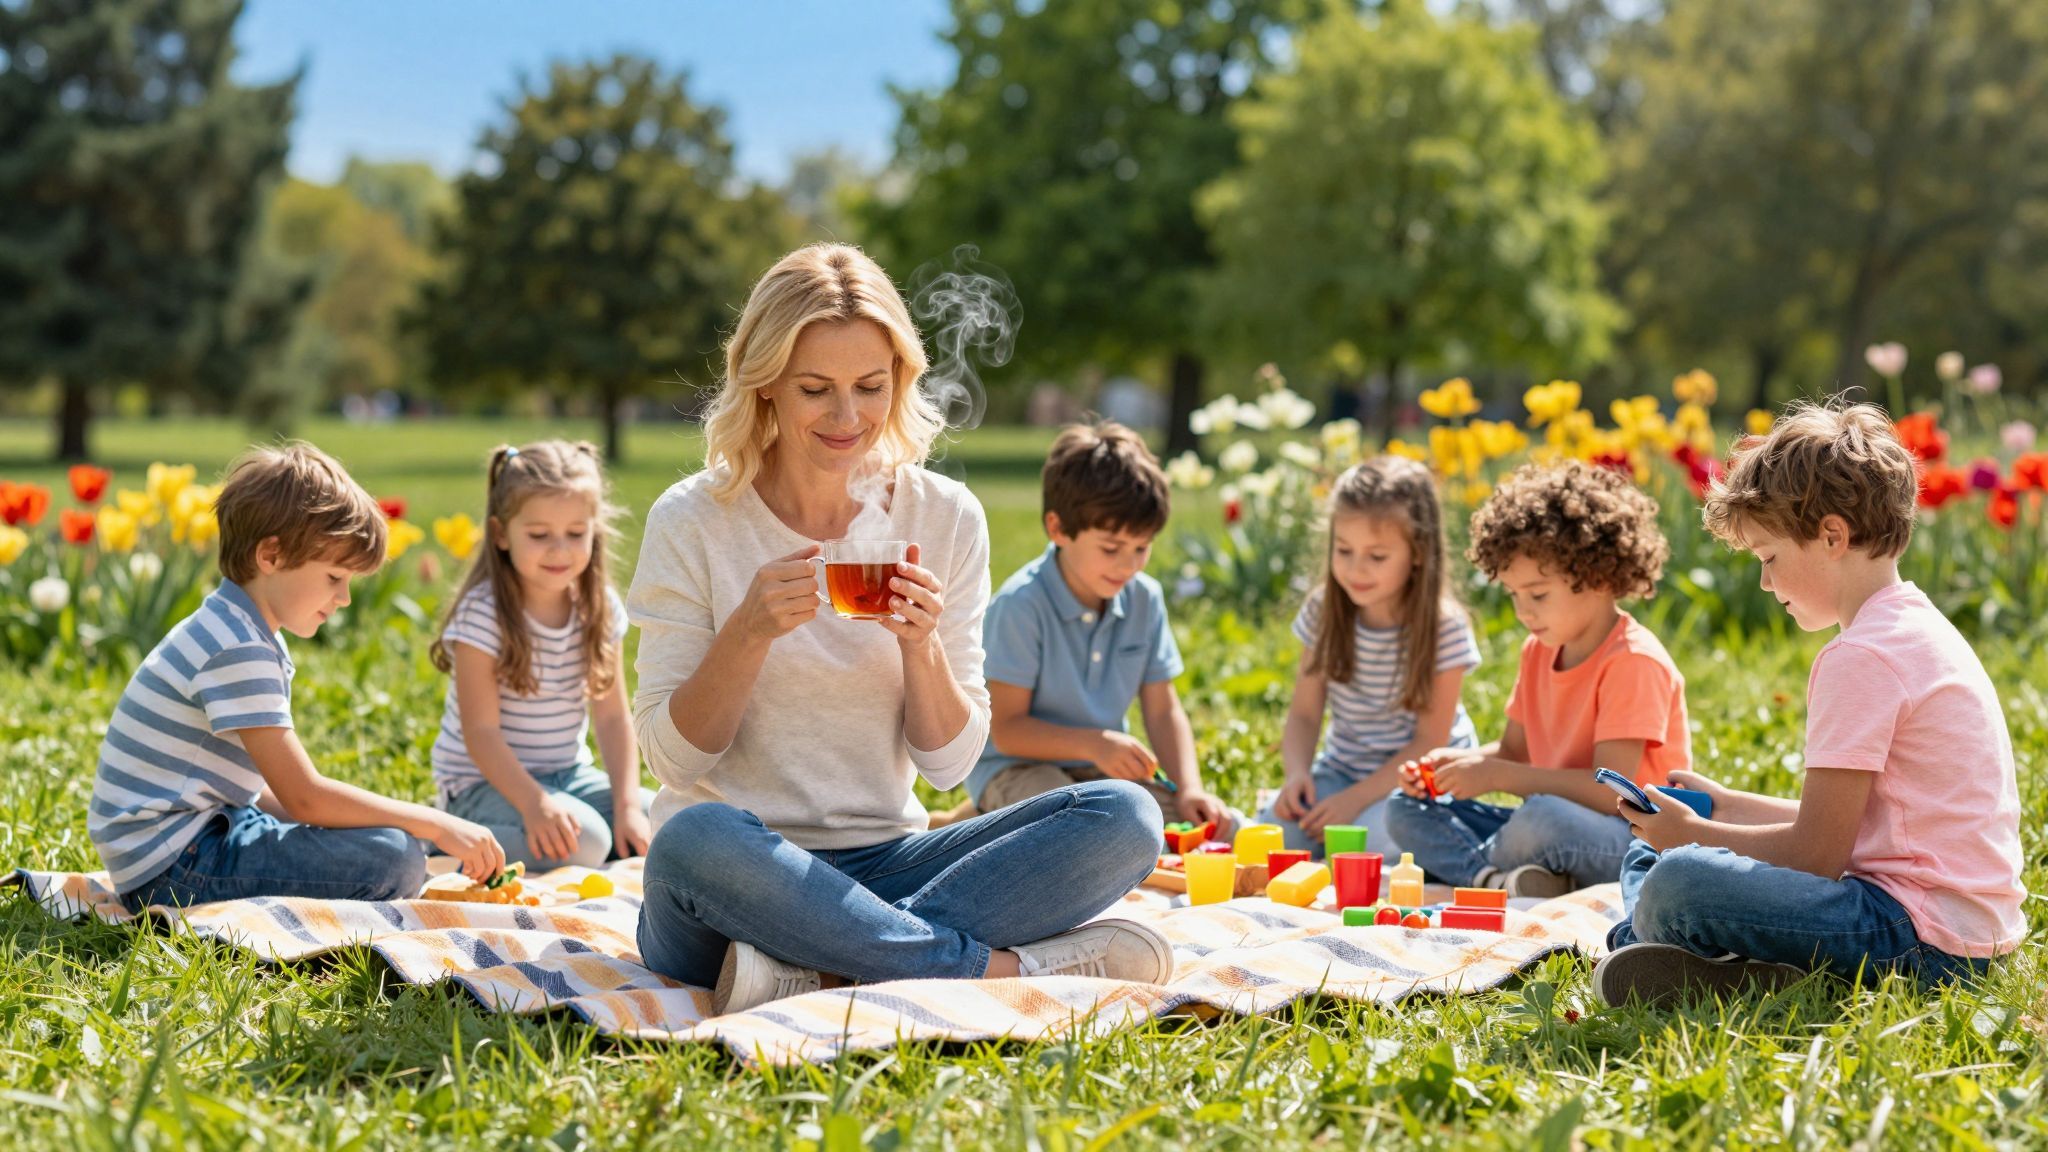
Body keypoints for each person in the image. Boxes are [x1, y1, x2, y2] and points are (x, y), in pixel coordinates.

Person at [629, 244, 1170, 1015]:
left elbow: (950, 769)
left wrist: (921, 647)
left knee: (1125, 815)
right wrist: (745, 634)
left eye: (870, 387)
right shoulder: (692, 520)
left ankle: (821, 970)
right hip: (735, 881)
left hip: (889, 863)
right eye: (816, 389)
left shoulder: (943, 516)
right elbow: (674, 761)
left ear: (900, 382)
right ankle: (993, 974)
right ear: (767, 386)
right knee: (693, 841)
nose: (849, 418)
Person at [1593, 402, 2025, 1006]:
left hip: (1920, 945)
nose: (1766, 584)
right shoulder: (1914, 626)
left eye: (1769, 558)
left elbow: (1818, 854)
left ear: (1831, 535)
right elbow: (1862, 822)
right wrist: (1723, 805)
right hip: (1955, 934)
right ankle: (1696, 958)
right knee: (1655, 846)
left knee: (1676, 877)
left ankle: (1651, 945)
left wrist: (1694, 832)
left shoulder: (1863, 657)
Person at [90, 442, 503, 912]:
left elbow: (268, 792)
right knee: (397, 858)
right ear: (271, 556)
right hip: (173, 869)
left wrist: (381, 825)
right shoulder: (237, 647)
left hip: (200, 836)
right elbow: (304, 798)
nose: (344, 598)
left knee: (391, 839)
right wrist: (432, 822)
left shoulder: (237, 627)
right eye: (333, 578)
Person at [1385, 459, 1690, 895]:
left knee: (1542, 818)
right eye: (1513, 594)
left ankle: (1477, 870)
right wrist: (1451, 767)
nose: (1523, 611)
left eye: (1539, 595)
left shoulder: (1633, 661)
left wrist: (1497, 776)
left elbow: (1613, 794)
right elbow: (1513, 751)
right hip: (1545, 822)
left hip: (1632, 839)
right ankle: (1498, 878)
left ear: (1599, 578)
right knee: (1404, 808)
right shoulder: (1538, 651)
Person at [939, 421, 1231, 833]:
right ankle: (968, 827)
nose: (1128, 566)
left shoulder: (1144, 599)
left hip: (1099, 772)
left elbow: (1163, 709)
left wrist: (1189, 789)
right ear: (1058, 528)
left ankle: (977, 825)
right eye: (1111, 549)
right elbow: (1007, 730)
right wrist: (1094, 743)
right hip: (1017, 769)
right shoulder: (1022, 605)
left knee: (1212, 827)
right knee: (1079, 827)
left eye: (1141, 548)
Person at [429, 439, 649, 870]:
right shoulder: (484, 613)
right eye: (539, 535)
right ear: (500, 534)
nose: (559, 550)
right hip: (481, 786)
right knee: (587, 841)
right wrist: (535, 805)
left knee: (664, 816)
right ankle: (455, 845)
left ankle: (574, 834)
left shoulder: (597, 607)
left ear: (594, 532)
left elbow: (612, 718)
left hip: (567, 776)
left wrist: (627, 807)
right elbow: (481, 733)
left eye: (575, 533)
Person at [1264, 456, 1481, 858]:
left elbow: (1429, 741)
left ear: (1417, 552)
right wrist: (1296, 775)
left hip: (1415, 788)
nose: (1355, 569)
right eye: (1344, 550)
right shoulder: (1323, 611)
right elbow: (1305, 713)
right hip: (1341, 774)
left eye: (1377, 557)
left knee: (1371, 845)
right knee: (1273, 837)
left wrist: (1352, 802)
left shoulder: (1443, 628)